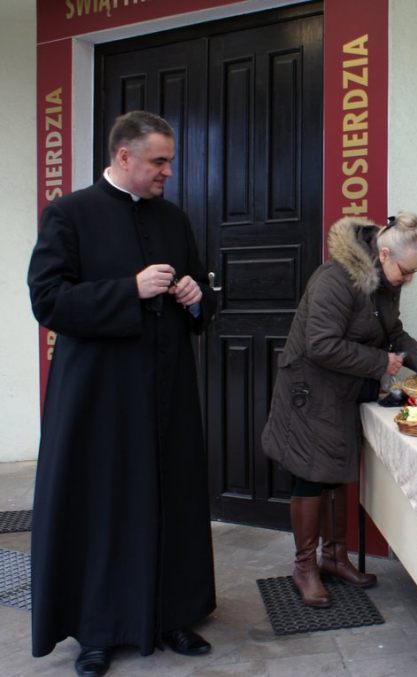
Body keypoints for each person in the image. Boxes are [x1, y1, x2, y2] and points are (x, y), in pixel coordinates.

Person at [27, 111, 217, 676]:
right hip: (100, 399)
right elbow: (48, 300)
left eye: (170, 161)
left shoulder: (175, 219)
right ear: (124, 157)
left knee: (171, 500)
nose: (168, 172)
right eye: (159, 161)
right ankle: (96, 631)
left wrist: (195, 296)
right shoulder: (68, 214)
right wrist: (127, 291)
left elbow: (204, 293)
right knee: (104, 506)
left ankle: (172, 614)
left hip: (167, 392)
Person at [261, 212, 417, 608]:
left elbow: (391, 332)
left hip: (343, 390)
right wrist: (380, 363)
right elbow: (321, 344)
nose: (409, 279)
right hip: (310, 391)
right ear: (382, 253)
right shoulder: (334, 279)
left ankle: (335, 557)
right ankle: (305, 567)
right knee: (311, 475)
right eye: (407, 271)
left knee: (337, 472)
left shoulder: (384, 281)